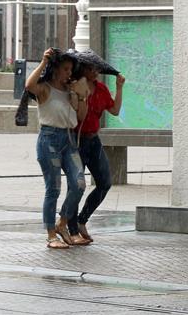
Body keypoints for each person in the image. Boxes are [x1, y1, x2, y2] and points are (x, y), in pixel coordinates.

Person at [25, 48, 88, 249]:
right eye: (66, 69)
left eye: (71, 69)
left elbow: (80, 117)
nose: (69, 73)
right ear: (55, 70)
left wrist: (80, 96)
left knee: (79, 183)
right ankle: (51, 234)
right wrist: (43, 62)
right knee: (53, 188)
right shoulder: (45, 89)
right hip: (49, 139)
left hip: (69, 140)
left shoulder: (70, 91)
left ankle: (63, 222)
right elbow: (29, 85)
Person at [66, 62, 126, 244]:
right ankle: (72, 229)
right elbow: (75, 115)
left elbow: (114, 110)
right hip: (76, 140)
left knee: (105, 182)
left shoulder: (101, 89)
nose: (95, 72)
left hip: (93, 140)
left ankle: (82, 219)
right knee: (76, 186)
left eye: (97, 69)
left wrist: (119, 87)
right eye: (91, 69)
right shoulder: (75, 86)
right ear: (83, 69)